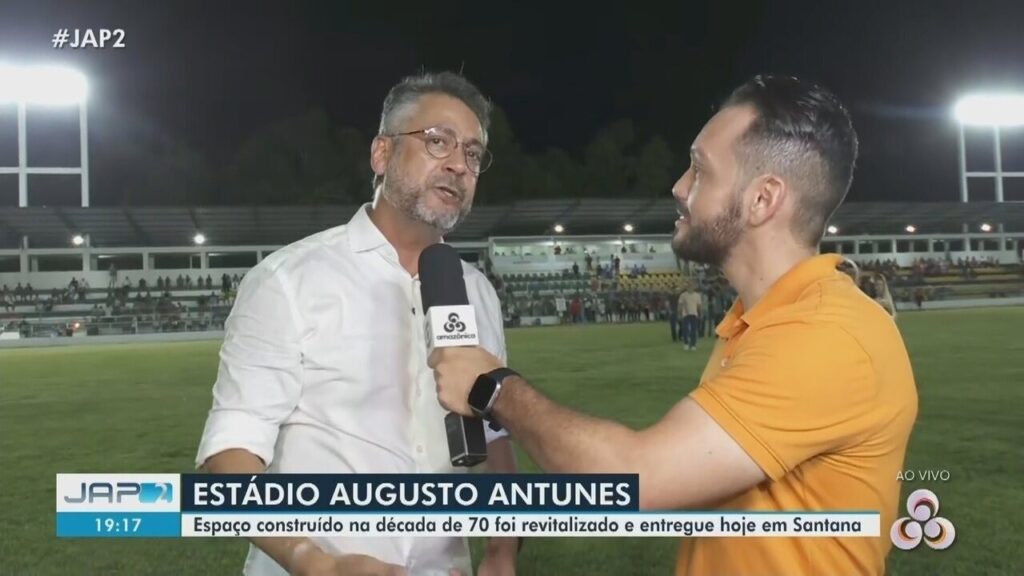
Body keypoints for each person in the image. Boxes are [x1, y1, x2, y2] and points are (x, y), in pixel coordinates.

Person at [428, 75, 918, 576]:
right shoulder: (765, 321)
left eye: (700, 170)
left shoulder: (825, 336)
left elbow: (632, 480)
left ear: (762, 199)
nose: (679, 187)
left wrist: (494, 387)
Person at [195, 71, 519, 576]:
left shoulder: (477, 292)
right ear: (382, 154)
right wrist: (314, 562)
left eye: (473, 154)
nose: (459, 164)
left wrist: (501, 551)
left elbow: (494, 436)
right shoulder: (287, 280)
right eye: (438, 141)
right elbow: (230, 452)